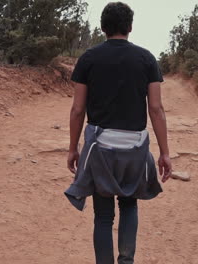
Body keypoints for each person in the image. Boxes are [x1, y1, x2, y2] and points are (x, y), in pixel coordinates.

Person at [64, 2, 172, 264]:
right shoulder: (146, 59)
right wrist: (165, 153)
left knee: (102, 215)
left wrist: (73, 148)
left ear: (102, 27)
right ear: (130, 27)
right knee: (129, 205)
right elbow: (156, 109)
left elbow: (78, 109)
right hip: (134, 148)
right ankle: (126, 260)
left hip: (100, 148)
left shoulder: (89, 58)